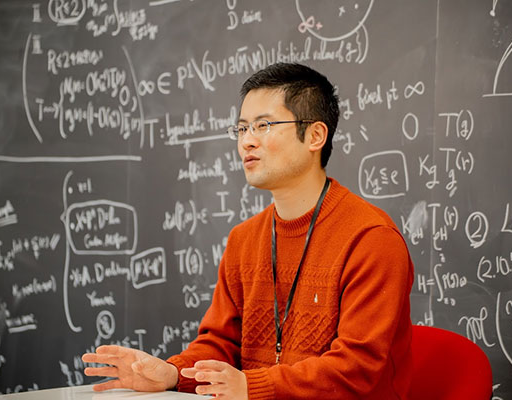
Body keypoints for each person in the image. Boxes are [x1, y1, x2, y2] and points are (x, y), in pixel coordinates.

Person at [82, 62, 414, 399]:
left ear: (315, 136)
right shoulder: (244, 240)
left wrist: (251, 386)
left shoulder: (370, 238)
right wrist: (172, 373)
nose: (247, 142)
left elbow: (356, 368)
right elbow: (221, 343)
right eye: (241, 129)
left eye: (263, 126)